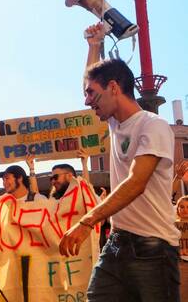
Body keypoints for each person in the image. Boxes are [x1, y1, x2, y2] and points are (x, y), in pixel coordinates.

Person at [59, 23, 180, 301]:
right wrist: (92, 45)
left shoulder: (154, 126)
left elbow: (136, 183)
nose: (87, 100)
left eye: (92, 94)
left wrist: (87, 221)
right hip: (115, 245)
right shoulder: (115, 122)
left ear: (114, 88)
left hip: (153, 249)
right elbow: (92, 81)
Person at [176, 195, 188, 300]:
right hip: (179, 265)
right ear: (177, 209)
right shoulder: (172, 226)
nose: (185, 210)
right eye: (182, 207)